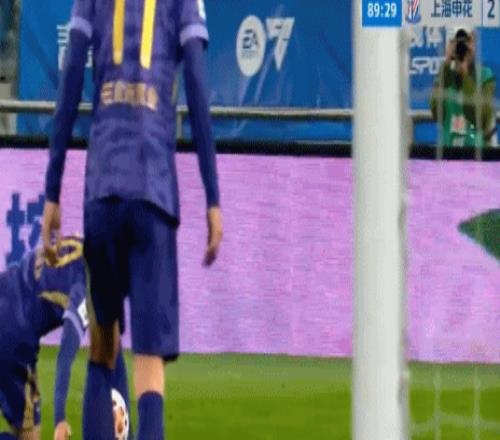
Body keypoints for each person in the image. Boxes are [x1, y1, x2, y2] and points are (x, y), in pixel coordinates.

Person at [42, 0, 223, 439]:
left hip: (103, 187)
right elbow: (197, 86)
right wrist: (212, 197)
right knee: (149, 356)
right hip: (153, 188)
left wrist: (53, 189)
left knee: (103, 345)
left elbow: (71, 77)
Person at [0, 237, 130, 440]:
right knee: (28, 435)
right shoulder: (84, 290)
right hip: (13, 334)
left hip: (5, 289)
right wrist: (60, 419)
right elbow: (65, 357)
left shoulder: (81, 243)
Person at [431, 27, 497, 148]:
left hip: (477, 154)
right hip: (449, 153)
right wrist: (447, 63)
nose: (463, 47)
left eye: (468, 41)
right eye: (458, 42)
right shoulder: (445, 76)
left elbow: (481, 118)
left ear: (475, 44)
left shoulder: (485, 76)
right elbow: (436, 113)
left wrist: (465, 76)